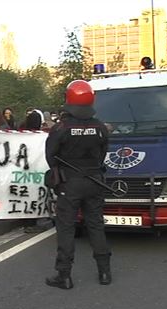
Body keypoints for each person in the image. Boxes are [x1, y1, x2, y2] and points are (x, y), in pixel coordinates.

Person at [44, 80, 112, 289]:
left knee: (66, 228)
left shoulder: (61, 128)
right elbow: (102, 156)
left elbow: (51, 157)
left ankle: (64, 275)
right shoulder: (100, 127)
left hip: (69, 184)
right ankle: (104, 273)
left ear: (68, 98)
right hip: (95, 182)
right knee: (96, 225)